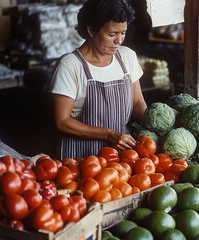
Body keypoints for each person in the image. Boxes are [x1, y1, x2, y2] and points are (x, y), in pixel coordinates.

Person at [50, 0, 147, 159]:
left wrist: (157, 127)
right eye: (112, 34)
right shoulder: (70, 66)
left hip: (118, 157)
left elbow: (137, 103)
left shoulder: (127, 57)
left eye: (123, 33)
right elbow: (62, 121)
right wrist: (108, 134)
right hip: (80, 159)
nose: (119, 40)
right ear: (91, 30)